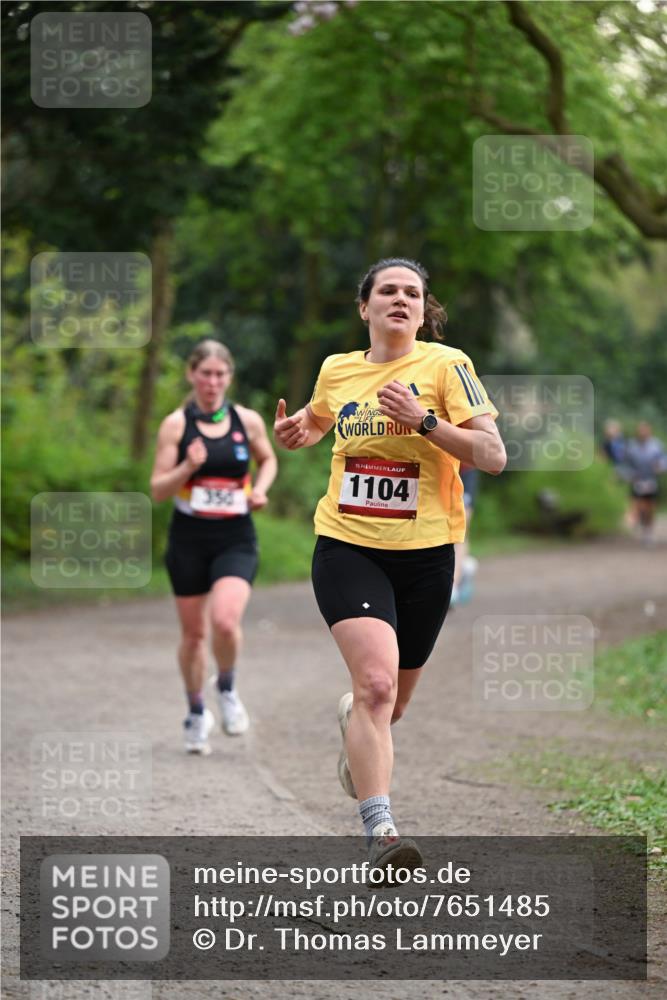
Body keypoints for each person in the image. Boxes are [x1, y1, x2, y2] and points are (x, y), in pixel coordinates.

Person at [274, 258, 505, 876]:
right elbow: (321, 418)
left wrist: (426, 423)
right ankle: (382, 834)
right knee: (376, 685)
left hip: (428, 555)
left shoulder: (446, 365)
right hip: (347, 546)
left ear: (425, 309)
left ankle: (357, 724)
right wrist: (300, 429)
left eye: (413, 293)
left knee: (389, 706)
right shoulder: (337, 368)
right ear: (365, 307)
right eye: (388, 291)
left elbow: (493, 454)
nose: (400, 299)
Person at [151, 339, 277, 754]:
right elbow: (157, 490)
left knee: (225, 621)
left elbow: (269, 459)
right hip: (189, 539)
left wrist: (259, 490)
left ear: (229, 377)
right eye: (205, 373)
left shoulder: (247, 420)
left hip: (234, 537)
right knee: (192, 635)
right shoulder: (175, 425)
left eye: (220, 374)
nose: (212, 381)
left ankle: (226, 688)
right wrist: (188, 466)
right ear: (192, 375)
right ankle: (195, 711)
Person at [623, 421, 667, 545]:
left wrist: (660, 467)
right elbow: (625, 463)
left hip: (651, 480)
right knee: (637, 503)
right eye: (640, 430)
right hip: (637, 479)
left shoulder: (656, 445)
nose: (643, 433)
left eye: (645, 430)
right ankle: (636, 518)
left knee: (650, 507)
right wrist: (628, 474)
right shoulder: (631, 446)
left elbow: (663, 459)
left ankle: (648, 531)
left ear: (649, 431)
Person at [450, 464, 479, 608]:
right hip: (434, 466)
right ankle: (464, 567)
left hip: (464, 469)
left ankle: (453, 586)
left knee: (461, 526)